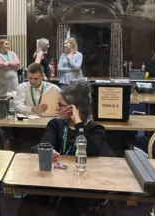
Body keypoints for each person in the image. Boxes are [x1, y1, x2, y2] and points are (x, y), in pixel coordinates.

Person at [18, 81, 112, 216]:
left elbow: (91, 149)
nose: (57, 108)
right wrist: (49, 151)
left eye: (61, 105)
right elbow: (45, 144)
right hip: (54, 181)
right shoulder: (55, 125)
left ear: (75, 108)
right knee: (28, 202)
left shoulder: (96, 129)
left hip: (82, 184)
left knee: (67, 206)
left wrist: (78, 123)